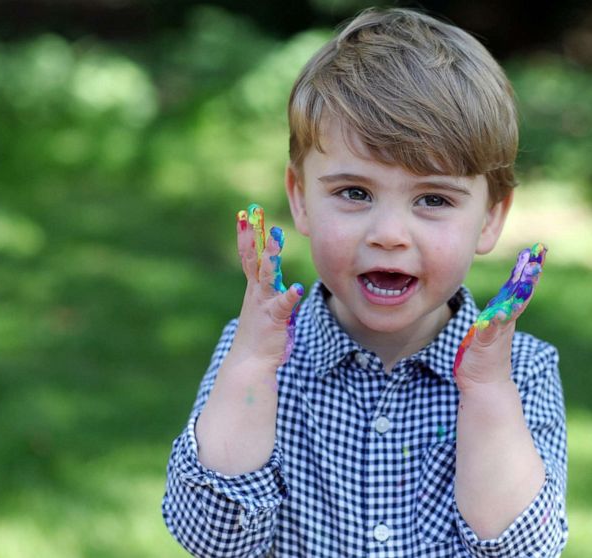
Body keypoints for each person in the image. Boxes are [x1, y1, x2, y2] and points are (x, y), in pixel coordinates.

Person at [162, 7, 568, 557]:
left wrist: (488, 392)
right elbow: (213, 539)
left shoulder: (522, 371)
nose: (389, 234)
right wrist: (254, 364)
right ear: (301, 197)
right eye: (355, 193)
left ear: (491, 217)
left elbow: (521, 551)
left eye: (433, 199)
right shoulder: (258, 354)